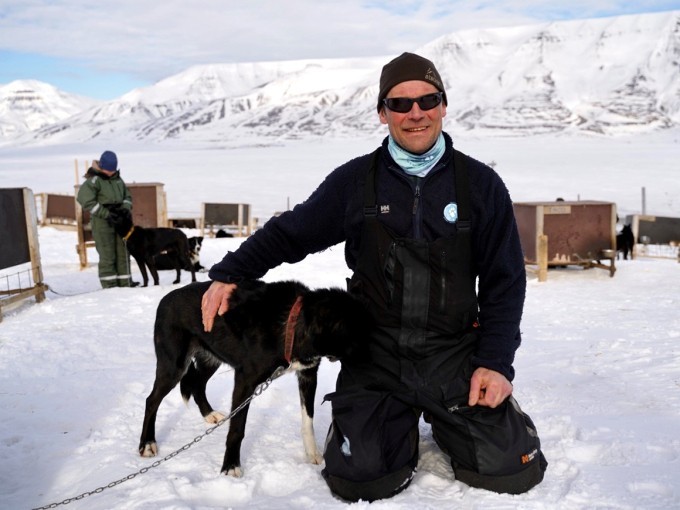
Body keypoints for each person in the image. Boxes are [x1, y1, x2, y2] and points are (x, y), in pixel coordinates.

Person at [201, 52, 547, 502]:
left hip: (454, 352)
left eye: (427, 100)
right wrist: (230, 273)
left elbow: (505, 282)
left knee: (509, 469)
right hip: (375, 351)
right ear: (382, 113)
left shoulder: (480, 186)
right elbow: (293, 232)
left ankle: (450, 422)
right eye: (400, 104)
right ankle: (380, 422)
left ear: (444, 105)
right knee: (359, 475)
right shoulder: (355, 183)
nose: (415, 113)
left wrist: (496, 363)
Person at [77, 150, 136, 288]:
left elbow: (127, 196)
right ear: (101, 166)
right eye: (108, 170)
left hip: (120, 222)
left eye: (112, 170)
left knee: (123, 252)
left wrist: (124, 210)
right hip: (102, 222)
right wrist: (106, 214)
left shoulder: (118, 180)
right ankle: (110, 286)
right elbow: (85, 200)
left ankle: (126, 283)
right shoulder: (93, 181)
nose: (110, 172)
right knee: (107, 254)